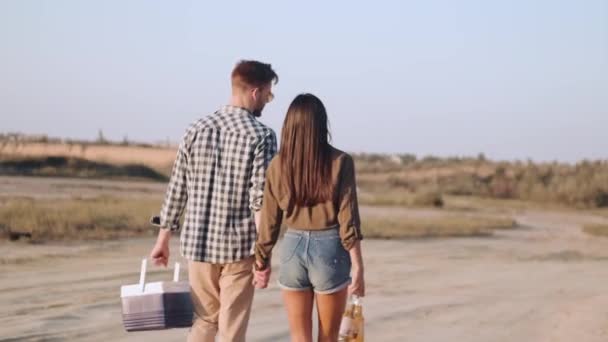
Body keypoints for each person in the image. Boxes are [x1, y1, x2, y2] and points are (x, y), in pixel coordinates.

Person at [149, 60, 278, 342]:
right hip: (239, 248)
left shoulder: (196, 129)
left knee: (205, 321)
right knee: (232, 328)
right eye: (269, 94)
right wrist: (264, 254)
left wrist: (163, 239)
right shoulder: (262, 135)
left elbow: (177, 186)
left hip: (198, 246)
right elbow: (260, 200)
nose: (268, 101)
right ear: (255, 92)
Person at [254, 93, 366, 342]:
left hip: (292, 248)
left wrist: (261, 261)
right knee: (327, 338)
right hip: (330, 251)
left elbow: (270, 220)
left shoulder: (277, 165)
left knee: (299, 339)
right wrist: (358, 266)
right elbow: (349, 220)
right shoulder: (341, 162)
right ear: (321, 124)